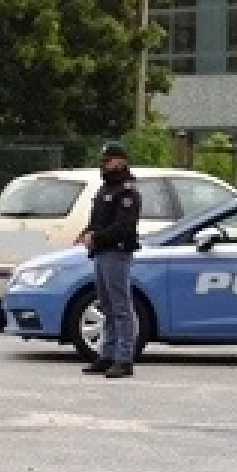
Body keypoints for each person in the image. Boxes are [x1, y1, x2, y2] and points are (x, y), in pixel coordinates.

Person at [79, 141, 141, 379]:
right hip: (102, 252)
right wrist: (87, 233)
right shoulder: (105, 190)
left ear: (121, 161)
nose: (103, 166)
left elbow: (124, 227)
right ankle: (107, 354)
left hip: (116, 252)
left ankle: (124, 358)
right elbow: (98, 221)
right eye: (102, 162)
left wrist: (97, 237)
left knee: (120, 307)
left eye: (107, 161)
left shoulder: (127, 192)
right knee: (106, 306)